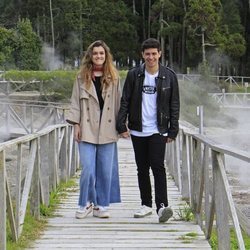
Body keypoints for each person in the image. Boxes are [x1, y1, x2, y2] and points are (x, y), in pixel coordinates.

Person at [116, 38, 180, 223]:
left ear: (159, 54)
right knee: (142, 169)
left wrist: (173, 130)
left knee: (158, 167)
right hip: (138, 129)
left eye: (154, 53)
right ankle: (145, 204)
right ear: (142, 55)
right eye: (147, 54)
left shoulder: (169, 76)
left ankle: (162, 207)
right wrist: (122, 125)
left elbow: (174, 104)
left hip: (158, 129)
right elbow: (125, 100)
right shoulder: (133, 75)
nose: (151, 57)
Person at [66, 40, 121, 219]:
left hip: (107, 127)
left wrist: (122, 126)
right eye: (95, 53)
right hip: (87, 128)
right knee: (88, 168)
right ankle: (85, 202)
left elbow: (119, 103)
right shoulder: (81, 77)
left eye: (102, 53)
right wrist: (76, 124)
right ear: (90, 56)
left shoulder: (114, 77)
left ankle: (101, 204)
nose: (98, 56)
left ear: (106, 56)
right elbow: (75, 102)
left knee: (106, 170)